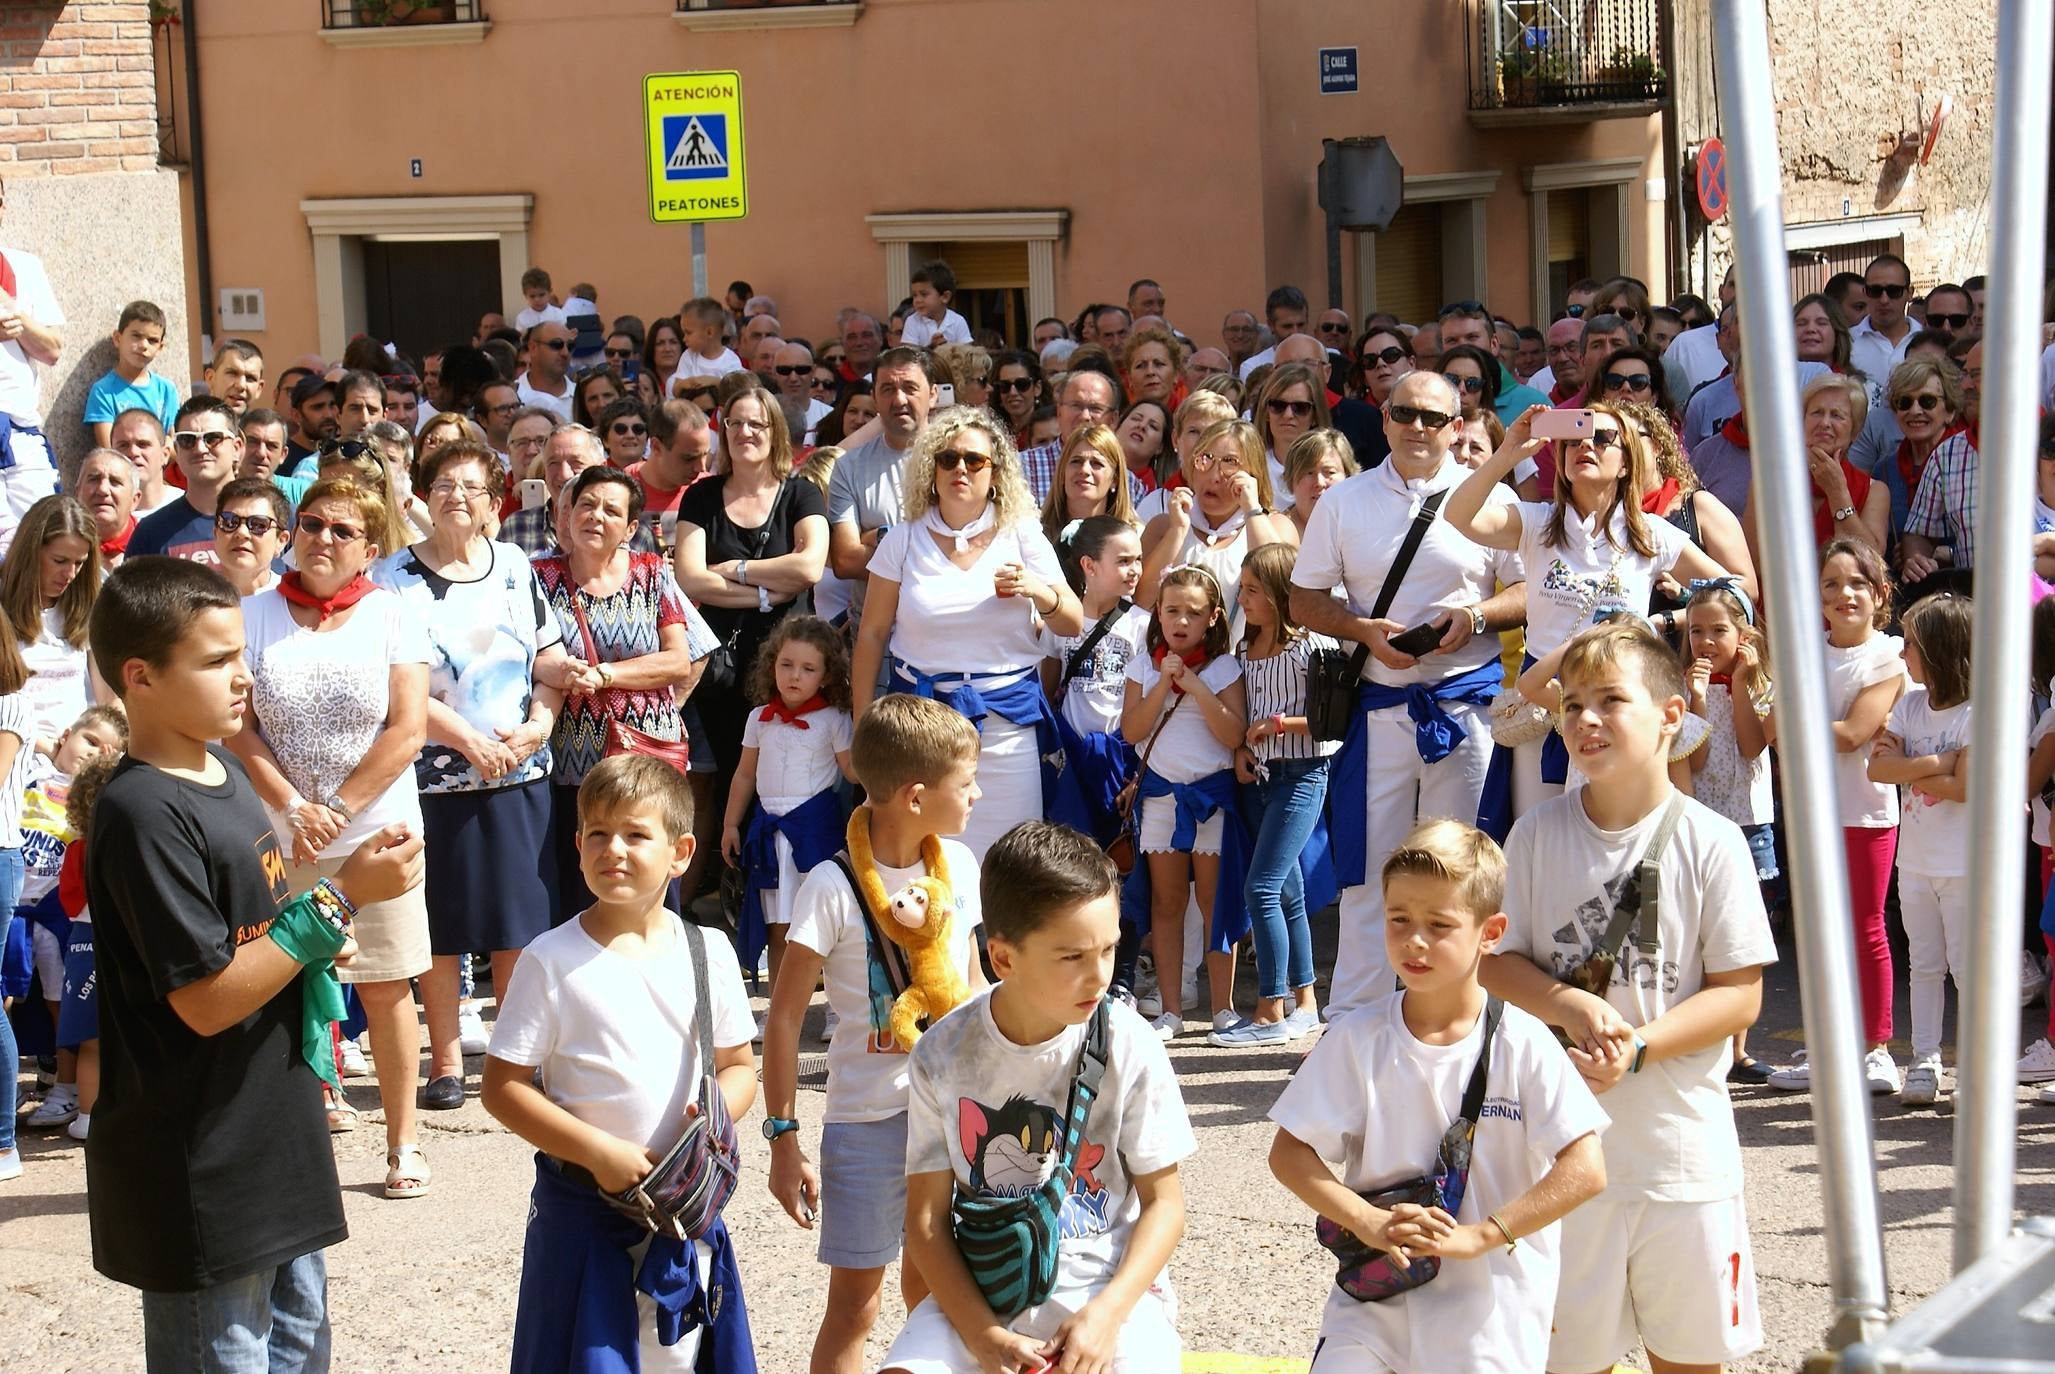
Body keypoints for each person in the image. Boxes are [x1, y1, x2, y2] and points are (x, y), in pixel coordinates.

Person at [82, 556, 424, 1368]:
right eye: (215, 661)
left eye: (242, 655)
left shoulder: (224, 769)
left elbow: (258, 930)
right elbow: (203, 1000)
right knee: (226, 1352)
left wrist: (316, 935)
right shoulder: (140, 811)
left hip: (274, 1131)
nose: (244, 678)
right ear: (141, 677)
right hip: (199, 1155)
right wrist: (339, 900)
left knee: (301, 1346)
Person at [1483, 619, 1775, 1374]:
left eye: (1609, 700)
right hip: (1559, 1162)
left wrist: (1637, 1047)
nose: (1584, 719)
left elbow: (1739, 995)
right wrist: (1568, 1004)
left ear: (1670, 716)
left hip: (1680, 1162)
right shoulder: (1536, 834)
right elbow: (1494, 962)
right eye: (1571, 703)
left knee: (1689, 1358)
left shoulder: (1711, 841)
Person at [1269, 818, 1608, 1374]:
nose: (1414, 941)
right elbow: (1289, 1152)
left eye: (1439, 924)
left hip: (1489, 1319)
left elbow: (1586, 1168)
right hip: (1371, 1303)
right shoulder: (1358, 1036)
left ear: (1491, 932)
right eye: (1398, 919)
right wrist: (1364, 1220)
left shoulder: (1524, 1042)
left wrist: (1483, 1235)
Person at [878, 821, 1195, 1374]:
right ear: (1002, 959)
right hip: (987, 1292)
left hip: (1109, 1293)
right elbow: (926, 1224)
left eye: (1111, 949)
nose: (1100, 977)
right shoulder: (942, 1053)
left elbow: (1165, 1205)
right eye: (1072, 958)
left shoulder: (1129, 1041)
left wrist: (1107, 1315)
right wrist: (985, 1337)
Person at [484, 754, 758, 1371]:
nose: (616, 849)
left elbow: (739, 1067)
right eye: (599, 835)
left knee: (677, 1359)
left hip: (684, 1211)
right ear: (577, 846)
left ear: (681, 852)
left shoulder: (708, 951)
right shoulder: (549, 959)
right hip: (583, 1212)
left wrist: (710, 1118)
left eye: (637, 834)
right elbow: (503, 1088)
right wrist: (597, 1152)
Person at [761, 694, 988, 1374]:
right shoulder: (829, 885)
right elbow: (780, 1016)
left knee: (938, 1295)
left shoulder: (961, 866)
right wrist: (782, 1137)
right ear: (915, 797)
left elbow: (973, 983)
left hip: (951, 1115)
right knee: (856, 1305)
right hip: (867, 1119)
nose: (977, 793)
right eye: (965, 782)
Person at [226, 475, 438, 1197]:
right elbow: (237, 725)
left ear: (369, 550)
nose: (321, 538)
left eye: (341, 531)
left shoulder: (394, 615)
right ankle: (292, 1142)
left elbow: (408, 729)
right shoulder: (250, 613)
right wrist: (290, 805)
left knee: (383, 987)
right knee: (280, 986)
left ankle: (404, 1142)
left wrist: (338, 811)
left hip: (375, 834)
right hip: (276, 835)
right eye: (312, 523)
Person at [1288, 372, 1525, 1018]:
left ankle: (1462, 1013)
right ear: (1384, 419)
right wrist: (1357, 628)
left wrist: (1474, 619)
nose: (1417, 427)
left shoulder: (1489, 499)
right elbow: (1303, 597)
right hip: (1378, 703)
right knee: (1368, 876)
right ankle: (1353, 1021)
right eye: (1404, 414)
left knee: (1463, 870)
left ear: (1455, 425)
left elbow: (1532, 590)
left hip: (1465, 704)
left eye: (1432, 417)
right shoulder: (1343, 502)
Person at [373, 439, 567, 1113]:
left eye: (472, 487)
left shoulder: (515, 565)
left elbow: (551, 661)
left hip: (521, 771)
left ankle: (511, 1057)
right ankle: (447, 1060)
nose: (458, 496)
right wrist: (467, 741)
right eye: (444, 485)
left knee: (518, 922)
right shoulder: (391, 578)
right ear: (423, 496)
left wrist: (540, 727)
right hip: (433, 779)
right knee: (440, 927)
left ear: (495, 502)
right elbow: (395, 685)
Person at [1448, 403, 1729, 814]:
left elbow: (1731, 592)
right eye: (1573, 441)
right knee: (1544, 839)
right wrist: (1507, 452)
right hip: (1543, 701)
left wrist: (1668, 617)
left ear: (1625, 464)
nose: (1585, 446)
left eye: (1601, 439)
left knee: (1622, 833)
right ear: (1559, 462)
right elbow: (1458, 516)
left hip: (1619, 701)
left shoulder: (1651, 532)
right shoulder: (1538, 523)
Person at [850, 406, 1083, 859]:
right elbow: (872, 635)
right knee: (919, 861)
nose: (961, 468)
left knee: (1011, 860)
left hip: (1006, 725)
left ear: (994, 473)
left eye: (974, 460)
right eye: (948, 458)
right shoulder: (903, 538)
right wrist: (863, 731)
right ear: (930, 469)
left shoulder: (1022, 534)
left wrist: (1036, 590)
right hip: (920, 724)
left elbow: (1071, 620)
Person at [531, 465, 716, 911]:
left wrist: (609, 676)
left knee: (650, 874)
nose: (596, 516)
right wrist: (561, 671)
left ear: (631, 528)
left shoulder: (652, 573)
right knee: (581, 885)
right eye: (586, 505)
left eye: (611, 510)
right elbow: (526, 655)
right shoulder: (538, 577)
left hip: (645, 757)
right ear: (568, 513)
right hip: (571, 761)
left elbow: (679, 658)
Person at [1769, 538, 1906, 1096]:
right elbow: (1778, 734)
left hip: (1866, 812)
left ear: (1879, 593)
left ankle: (1876, 1050)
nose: (1844, 593)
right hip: (1810, 813)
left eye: (1856, 583)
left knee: (1866, 927)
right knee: (1820, 932)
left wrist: (1788, 717)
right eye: (1831, 583)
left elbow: (1852, 737)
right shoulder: (1803, 651)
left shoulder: (1888, 657)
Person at [672, 384, 830, 788]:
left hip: (791, 662)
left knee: (793, 778)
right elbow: (690, 576)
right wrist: (765, 592)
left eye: (756, 423)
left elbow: (809, 567)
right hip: (724, 668)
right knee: (731, 780)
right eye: (735, 423)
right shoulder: (702, 495)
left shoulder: (801, 493)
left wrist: (736, 569)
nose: (745, 431)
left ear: (775, 430)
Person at [1212, 543, 1334, 1046]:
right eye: (1242, 588)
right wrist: (1243, 747)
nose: (1245, 598)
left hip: (1304, 773)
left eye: (1254, 590)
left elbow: (1335, 721)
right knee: (1286, 891)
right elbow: (1245, 716)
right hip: (1262, 778)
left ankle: (1270, 1008)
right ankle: (1306, 1002)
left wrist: (1284, 724)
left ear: (1282, 594)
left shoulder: (1313, 647)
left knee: (1260, 888)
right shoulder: (1245, 649)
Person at [1124, 563, 1247, 1038]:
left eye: (1192, 614)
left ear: (1212, 617)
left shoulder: (1223, 667)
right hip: (1160, 797)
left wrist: (1196, 686)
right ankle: (1171, 1011)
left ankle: (1223, 1009)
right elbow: (1132, 730)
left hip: (1211, 796)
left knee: (1216, 901)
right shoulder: (1142, 665)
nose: (1180, 622)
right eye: (1171, 610)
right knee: (1168, 901)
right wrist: (1161, 684)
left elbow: (1234, 733)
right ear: (1158, 610)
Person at [721, 614, 855, 1027]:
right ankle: (783, 1014)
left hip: (815, 831)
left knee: (825, 923)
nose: (795, 676)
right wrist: (730, 825)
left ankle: (836, 1009)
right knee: (780, 927)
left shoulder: (834, 719)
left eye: (808, 669)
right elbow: (745, 774)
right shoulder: (758, 718)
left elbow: (852, 772)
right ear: (771, 664)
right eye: (786, 665)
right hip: (770, 833)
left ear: (826, 675)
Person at [1868, 593, 1973, 1107]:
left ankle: (1974, 1067)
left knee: (1967, 966)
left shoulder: (1978, 711)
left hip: (1963, 865)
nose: (1903, 652)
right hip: (1915, 862)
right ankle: (1925, 1060)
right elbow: (1878, 770)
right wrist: (1940, 760)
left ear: (1937, 649)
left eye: (1910, 643)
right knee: (1926, 964)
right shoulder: (1909, 704)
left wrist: (1918, 765)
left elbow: (1966, 788)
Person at [1673, 580, 1778, 1084]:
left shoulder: (1759, 682)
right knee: (1696, 930)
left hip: (1746, 820)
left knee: (1740, 934)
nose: (1707, 642)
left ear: (1745, 634)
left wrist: (1741, 683)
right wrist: (1694, 698)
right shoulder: (1680, 686)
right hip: (1700, 817)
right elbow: (1693, 758)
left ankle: (1739, 1048)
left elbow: (1753, 746)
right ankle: (1702, 1039)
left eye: (1719, 630)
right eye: (1697, 631)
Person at [1042, 516, 1149, 851]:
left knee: (1118, 851)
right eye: (1123, 561)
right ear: (1089, 565)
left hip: (1121, 757)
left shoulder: (1142, 625)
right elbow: (1047, 692)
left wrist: (1139, 773)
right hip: (1071, 759)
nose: (1135, 569)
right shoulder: (1060, 622)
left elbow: (1148, 704)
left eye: (1138, 560)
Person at [1138, 418, 1293, 618]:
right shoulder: (1163, 526)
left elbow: (1279, 595)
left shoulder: (1277, 527)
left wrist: (1252, 510)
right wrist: (1176, 532)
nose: (1214, 477)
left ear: (1252, 473)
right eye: (1205, 459)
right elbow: (1142, 602)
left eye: (1230, 462)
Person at [826, 347, 937, 622]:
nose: (899, 399)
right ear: (875, 398)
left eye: (910, 387)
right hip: (875, 629)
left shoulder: (959, 458)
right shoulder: (848, 467)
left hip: (943, 625)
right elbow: (846, 561)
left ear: (933, 394)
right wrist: (931, 554)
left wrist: (877, 539)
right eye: (887, 389)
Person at [1742, 374, 1889, 566]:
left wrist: (1838, 494)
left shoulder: (1874, 491)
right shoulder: (1768, 483)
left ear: (1856, 431)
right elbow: (1755, 561)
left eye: (1837, 415)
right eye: (1817, 412)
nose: (1825, 423)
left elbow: (1872, 564)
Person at [2, 494, 101, 751]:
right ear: (31, 551)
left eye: (79, 563)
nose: (70, 574)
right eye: (59, 561)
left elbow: (110, 700)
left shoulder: (90, 605)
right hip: (17, 754)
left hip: (80, 755)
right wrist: (50, 750)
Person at [0, 182, 65, 555]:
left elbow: (53, 349)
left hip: (21, 432)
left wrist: (18, 320)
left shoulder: (24, 266)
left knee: (40, 544)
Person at [131, 396, 244, 565]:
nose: (200, 448)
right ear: (177, 449)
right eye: (187, 440)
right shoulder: (150, 533)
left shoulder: (273, 521)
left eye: (212, 438)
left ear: (237, 448)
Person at [85, 300, 177, 446]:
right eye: (136, 336)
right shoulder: (104, 391)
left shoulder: (167, 389)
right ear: (117, 338)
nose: (143, 345)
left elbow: (175, 445)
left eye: (152, 340)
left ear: (160, 347)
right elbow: (110, 448)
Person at [634, 397, 716, 552]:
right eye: (689, 458)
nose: (701, 467)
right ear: (656, 447)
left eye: (705, 454)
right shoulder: (621, 489)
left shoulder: (710, 491)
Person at [1039, 423, 1139, 543]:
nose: (1084, 470)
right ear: (1062, 474)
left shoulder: (1135, 537)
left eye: (1096, 463)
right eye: (1076, 461)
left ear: (1115, 479)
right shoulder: (1034, 533)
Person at [210, 477, 290, 597]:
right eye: (230, 522)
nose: (242, 533)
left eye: (258, 524)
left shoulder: (296, 605)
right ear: (216, 535)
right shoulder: (189, 603)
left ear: (280, 541)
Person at [1279, 427, 1358, 540]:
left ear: (1348, 477)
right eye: (1309, 473)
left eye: (1330, 472)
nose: (1319, 482)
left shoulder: (1362, 530)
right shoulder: (1276, 535)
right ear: (1291, 480)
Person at [1850, 253, 1917, 381]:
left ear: (1910, 293)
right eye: (1875, 291)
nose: (1884, 300)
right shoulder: (1847, 343)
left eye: (1894, 291)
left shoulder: (1925, 340)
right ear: (1864, 293)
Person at [75, 447, 138, 568]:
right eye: (94, 479)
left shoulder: (153, 544)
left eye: (115, 482)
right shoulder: (56, 547)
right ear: (77, 492)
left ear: (134, 499)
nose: (103, 490)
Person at [110, 407, 176, 517]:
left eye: (143, 444)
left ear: (164, 455)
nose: (133, 452)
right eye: (123, 445)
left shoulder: (189, 508)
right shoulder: (102, 517)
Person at [671, 297, 745, 390]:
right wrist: (689, 382)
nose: (684, 339)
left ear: (709, 332)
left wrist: (714, 382)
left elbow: (736, 391)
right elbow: (675, 389)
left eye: (688, 333)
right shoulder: (688, 357)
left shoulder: (731, 361)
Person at [902, 260, 972, 348]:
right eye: (914, 295)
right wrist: (931, 347)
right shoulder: (912, 322)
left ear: (945, 297)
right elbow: (909, 357)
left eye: (924, 294)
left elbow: (966, 354)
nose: (917, 300)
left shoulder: (958, 322)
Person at [516, 320, 576, 419]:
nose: (565, 353)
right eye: (556, 345)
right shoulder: (513, 398)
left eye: (570, 346)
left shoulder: (584, 396)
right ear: (533, 348)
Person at [991, 349, 1043, 448]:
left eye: (1021, 384)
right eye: (1004, 385)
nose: (1013, 392)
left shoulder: (1050, 429)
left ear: (1037, 388)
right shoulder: (992, 432)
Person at [203, 338, 267, 418]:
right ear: (210, 378)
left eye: (250, 378)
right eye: (232, 373)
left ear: (259, 388)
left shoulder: (263, 429)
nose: (241, 385)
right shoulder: (190, 427)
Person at [571, 366, 625, 430]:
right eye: (593, 398)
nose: (601, 404)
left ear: (621, 395)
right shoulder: (577, 439)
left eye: (607, 395)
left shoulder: (636, 435)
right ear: (583, 404)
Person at [512, 266, 565, 331]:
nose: (537, 300)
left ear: (549, 292)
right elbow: (520, 339)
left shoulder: (558, 314)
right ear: (525, 295)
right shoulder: (522, 318)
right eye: (532, 296)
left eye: (541, 295)